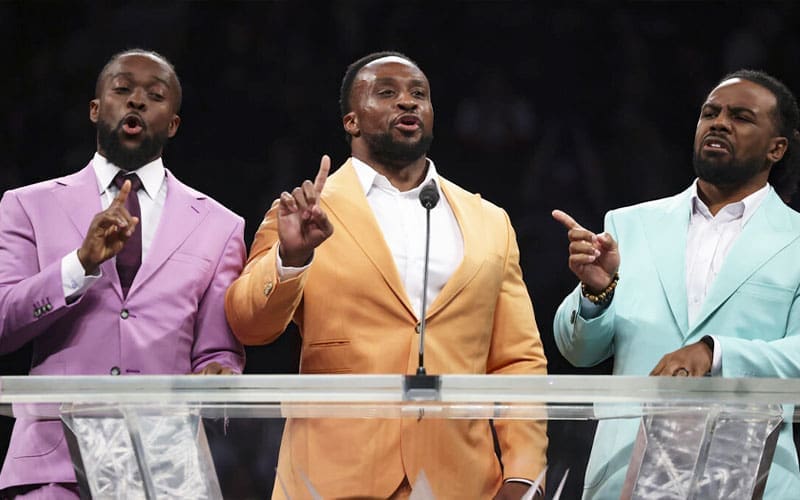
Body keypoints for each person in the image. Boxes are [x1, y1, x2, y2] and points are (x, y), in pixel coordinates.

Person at [225, 51, 547, 499]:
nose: (407, 102)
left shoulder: (489, 221)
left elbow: (518, 360)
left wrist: (524, 474)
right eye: (387, 93)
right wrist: (291, 258)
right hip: (331, 480)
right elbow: (248, 325)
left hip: (461, 481)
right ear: (351, 121)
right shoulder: (305, 211)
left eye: (419, 94)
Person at [0, 49, 246, 498]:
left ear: (173, 124)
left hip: (165, 468)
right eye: (122, 89)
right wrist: (79, 264)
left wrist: (220, 371)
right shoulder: (27, 206)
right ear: (95, 110)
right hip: (55, 465)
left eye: (155, 95)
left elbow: (216, 353)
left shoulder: (220, 225)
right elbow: (4, 323)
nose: (136, 100)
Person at [552, 69, 800, 499]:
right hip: (626, 472)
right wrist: (596, 293)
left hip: (750, 478)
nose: (719, 123)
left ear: (776, 148)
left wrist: (715, 353)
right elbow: (578, 351)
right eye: (710, 113)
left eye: (741, 117)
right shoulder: (629, 225)